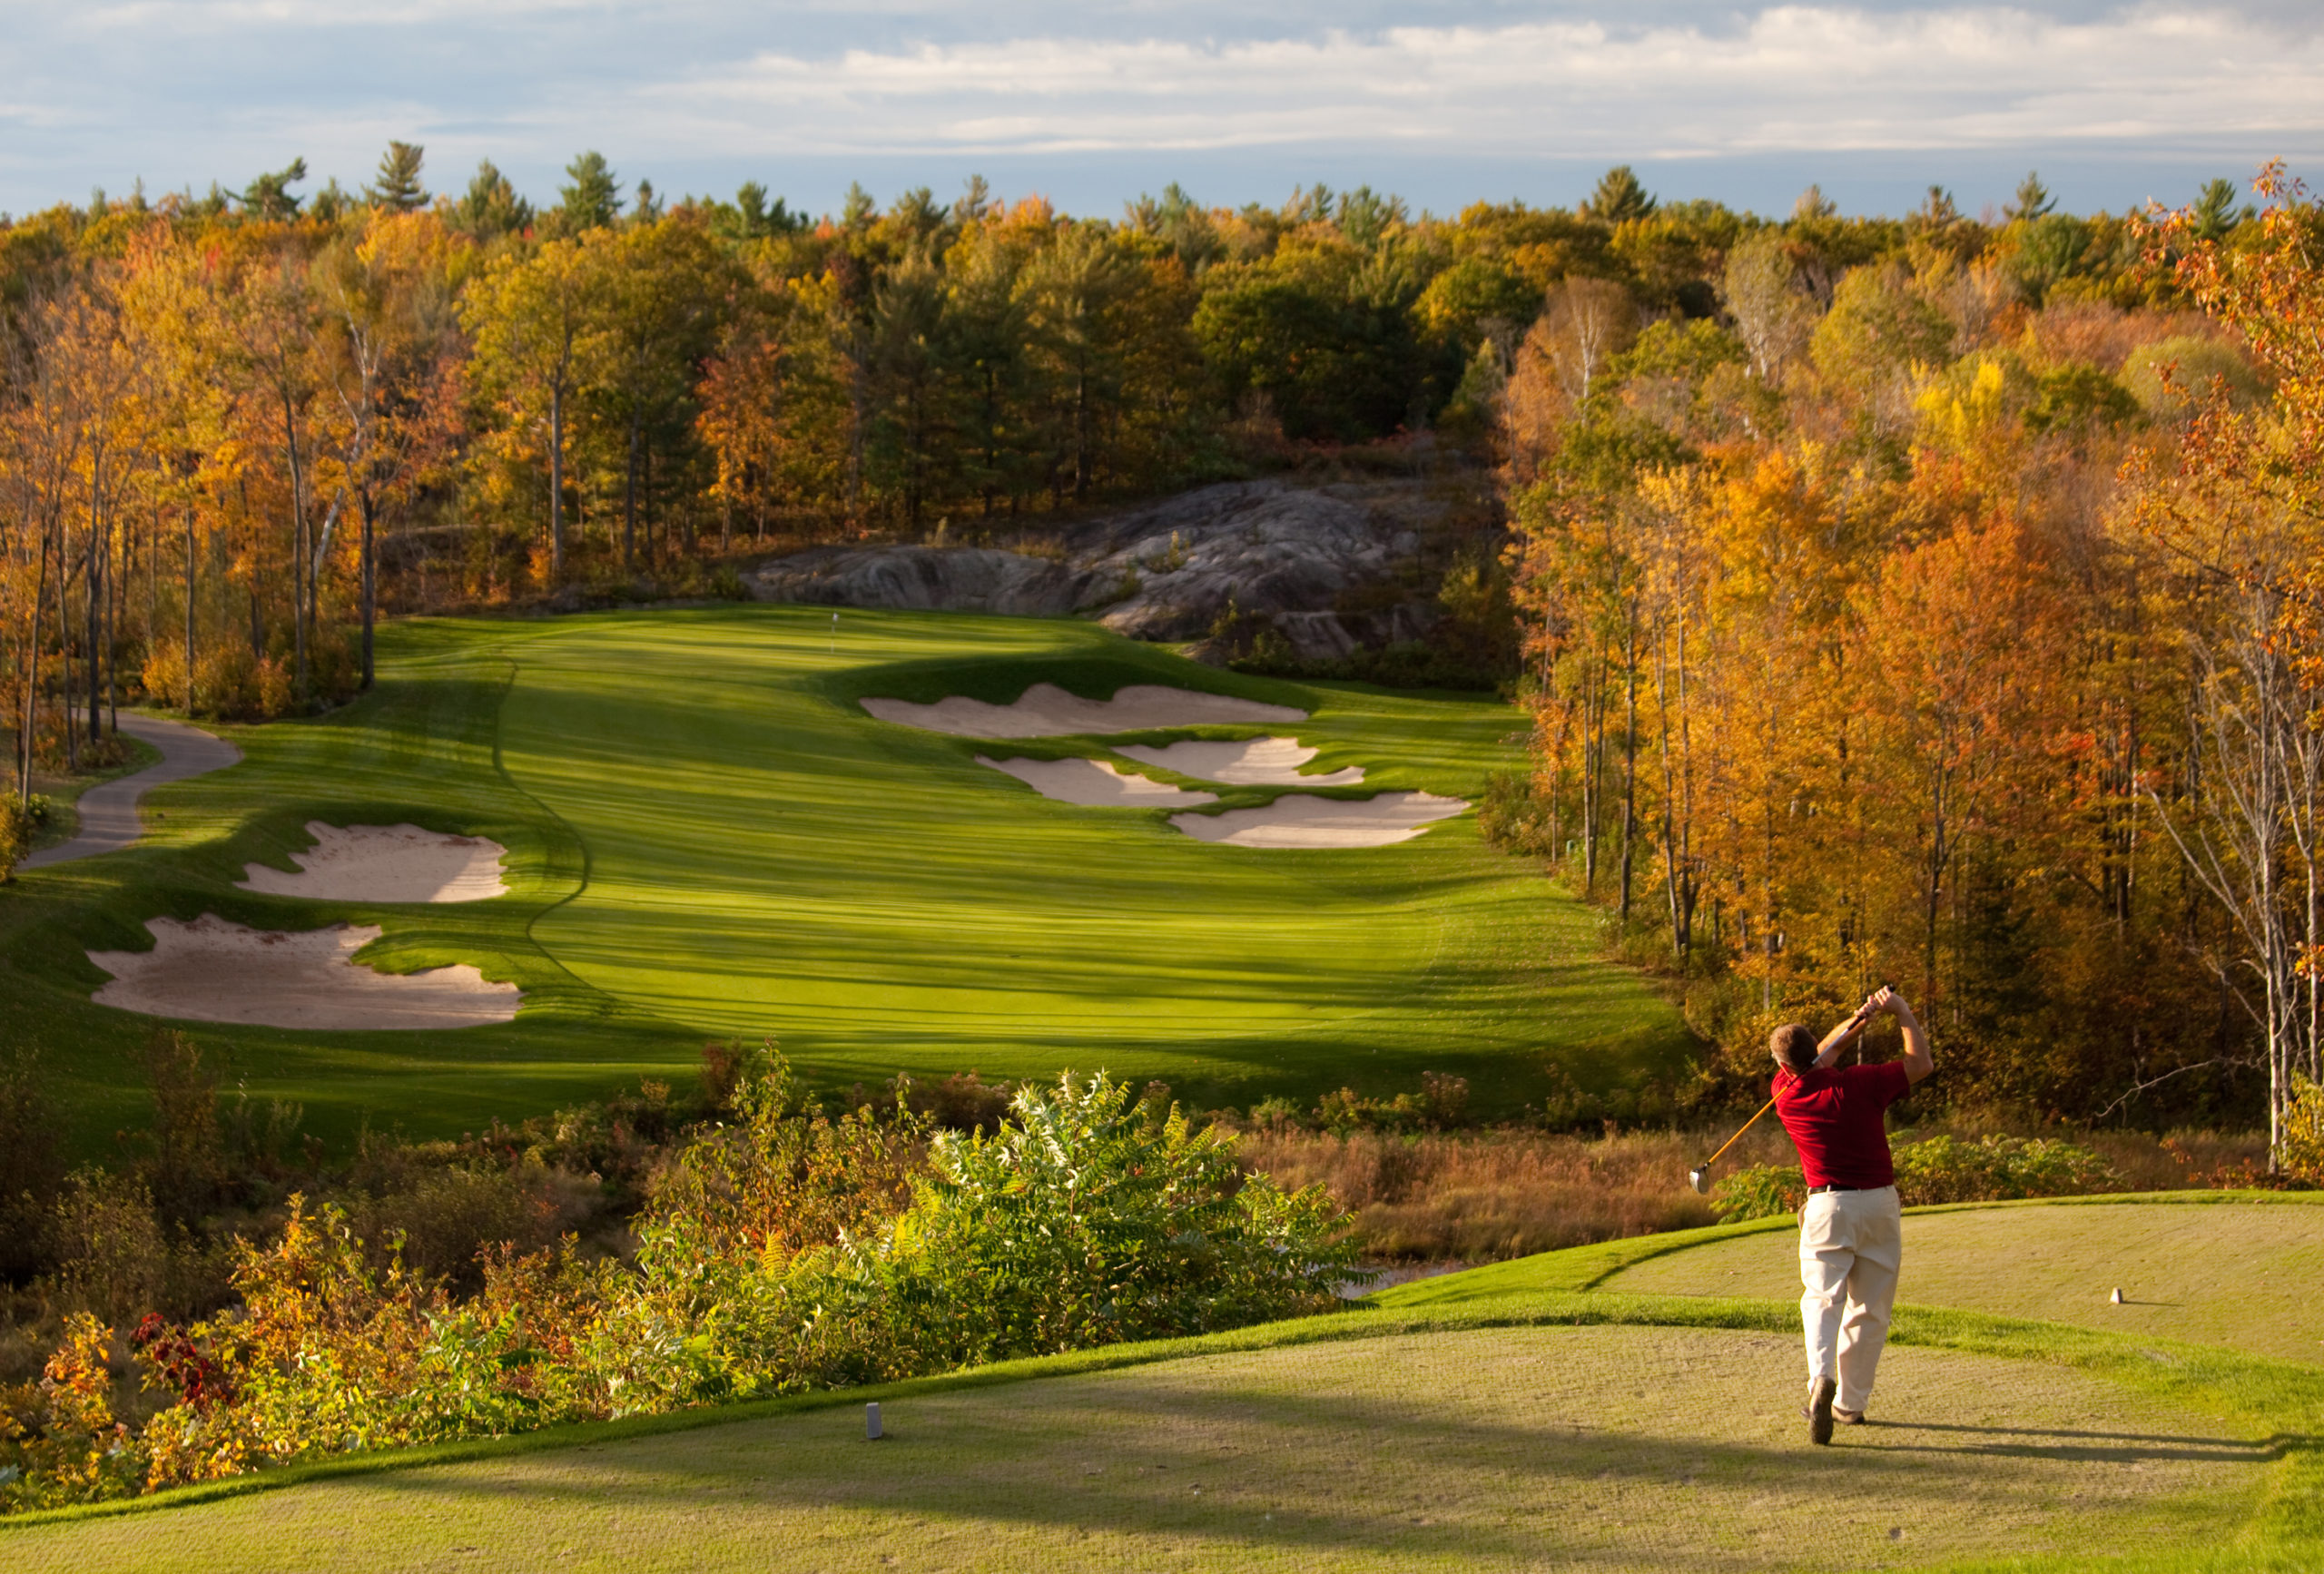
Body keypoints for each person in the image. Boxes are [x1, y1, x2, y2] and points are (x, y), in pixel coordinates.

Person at [1768, 986, 1933, 1445]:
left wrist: (1860, 1017)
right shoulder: (1860, 1082)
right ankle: (1849, 1404)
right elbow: (1921, 1064)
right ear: (1812, 1051)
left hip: (1825, 1205)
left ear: (1784, 1065)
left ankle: (1821, 1376)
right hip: (1879, 1203)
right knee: (1870, 1308)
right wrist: (1900, 1011)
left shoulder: (1784, 1090)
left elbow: (1822, 1054)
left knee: (1822, 1297)